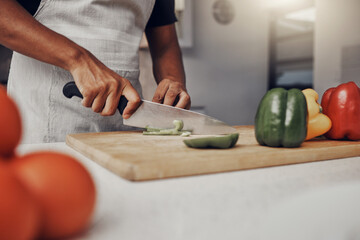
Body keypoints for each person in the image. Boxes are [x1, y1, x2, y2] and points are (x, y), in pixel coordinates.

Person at [0, 0, 191, 143]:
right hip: (46, 132)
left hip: (127, 131)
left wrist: (172, 80)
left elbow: (165, 44)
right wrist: (78, 60)